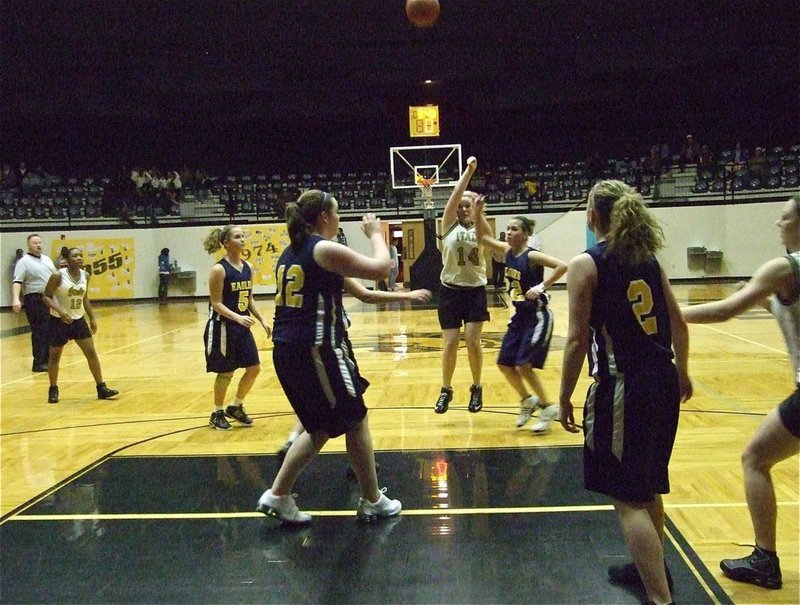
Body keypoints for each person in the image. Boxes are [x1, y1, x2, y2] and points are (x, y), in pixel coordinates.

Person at [559, 180, 692, 605]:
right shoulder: (647, 257)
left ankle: (660, 597)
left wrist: (563, 396)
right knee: (648, 485)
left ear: (592, 216)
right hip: (663, 381)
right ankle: (647, 568)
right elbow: (679, 323)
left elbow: (577, 341)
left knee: (627, 498)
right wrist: (684, 372)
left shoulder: (587, 263)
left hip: (625, 388)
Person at [257, 190, 401, 524]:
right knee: (355, 418)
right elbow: (382, 267)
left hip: (291, 350)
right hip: (316, 350)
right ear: (324, 217)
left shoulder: (292, 251)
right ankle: (372, 500)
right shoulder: (323, 248)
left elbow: (363, 292)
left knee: (319, 428)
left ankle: (278, 495)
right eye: (337, 214)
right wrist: (375, 235)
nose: (339, 221)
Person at [682, 194, 800, 590]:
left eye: (784, 217)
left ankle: (765, 560)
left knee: (755, 458)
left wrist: (668, 316)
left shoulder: (783, 267)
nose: (777, 224)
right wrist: (768, 303)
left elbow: (722, 312)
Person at [276, 280, 433, 462]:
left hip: (294, 344)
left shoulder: (292, 261)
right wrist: (407, 295)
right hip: (329, 342)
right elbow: (366, 293)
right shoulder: (325, 260)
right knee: (351, 415)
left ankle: (292, 442)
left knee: (321, 403)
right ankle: (360, 464)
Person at [475, 206, 567, 431]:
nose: (508, 232)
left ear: (525, 234)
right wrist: (478, 213)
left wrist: (541, 286)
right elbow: (482, 237)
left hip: (537, 316)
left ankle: (547, 407)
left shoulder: (532, 255)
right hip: (519, 317)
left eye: (514, 229)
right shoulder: (507, 252)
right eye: (507, 228)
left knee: (523, 365)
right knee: (504, 364)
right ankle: (527, 399)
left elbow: (562, 266)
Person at [434, 156, 491, 414]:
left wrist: (479, 212)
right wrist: (469, 172)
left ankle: (476, 387)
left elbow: (487, 237)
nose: (463, 209)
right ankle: (446, 389)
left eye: (467, 206)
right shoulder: (447, 226)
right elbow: (454, 198)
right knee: (450, 342)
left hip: (475, 291)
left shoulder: (480, 227)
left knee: (472, 341)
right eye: (460, 206)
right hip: (450, 291)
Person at [203, 225, 271, 430]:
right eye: (237, 237)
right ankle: (217, 412)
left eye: (243, 236)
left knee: (254, 368)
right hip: (222, 327)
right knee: (226, 373)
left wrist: (262, 319)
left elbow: (249, 298)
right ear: (226, 243)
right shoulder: (219, 269)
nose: (242, 239)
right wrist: (237, 317)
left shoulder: (248, 267)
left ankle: (236, 406)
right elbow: (216, 303)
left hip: (241, 327)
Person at [42, 247, 119, 403]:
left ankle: (101, 387)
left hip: (78, 320)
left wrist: (92, 318)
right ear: (68, 259)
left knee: (91, 353)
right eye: (75, 255)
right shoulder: (58, 276)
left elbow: (85, 298)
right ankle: (53, 389)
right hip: (59, 320)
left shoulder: (86, 275)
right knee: (55, 357)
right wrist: (61, 312)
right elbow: (46, 297)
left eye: (81, 255)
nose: (79, 258)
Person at [12, 234, 57, 372]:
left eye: (39, 242)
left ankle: (48, 360)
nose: (38, 245)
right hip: (34, 298)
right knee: (39, 330)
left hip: (48, 298)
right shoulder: (24, 262)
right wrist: (15, 299)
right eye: (34, 243)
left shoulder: (47, 260)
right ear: (29, 245)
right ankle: (38, 362)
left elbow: (56, 277)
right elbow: (17, 281)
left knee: (50, 329)